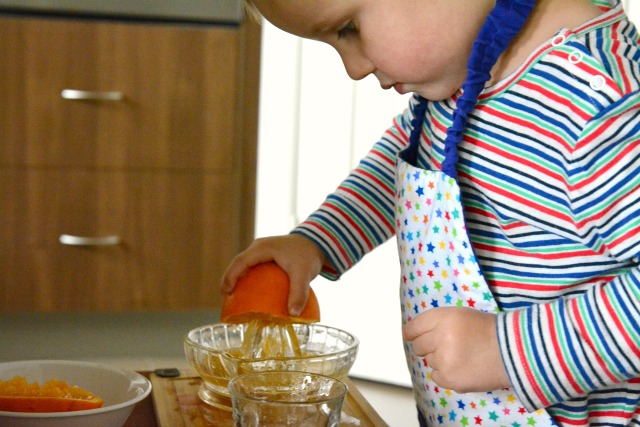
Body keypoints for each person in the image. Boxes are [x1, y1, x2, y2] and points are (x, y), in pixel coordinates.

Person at [222, 0, 640, 425]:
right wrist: (316, 240)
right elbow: (403, 167)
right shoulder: (470, 75)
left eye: (348, 28)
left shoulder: (596, 109)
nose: (353, 67)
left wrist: (509, 349)